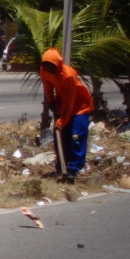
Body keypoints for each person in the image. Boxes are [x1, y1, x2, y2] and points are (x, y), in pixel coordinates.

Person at [40, 48, 94, 181]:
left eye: (51, 66)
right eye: (46, 65)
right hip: (62, 104)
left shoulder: (68, 75)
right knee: (62, 138)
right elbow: (47, 86)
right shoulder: (44, 71)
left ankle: (75, 168)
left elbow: (70, 101)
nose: (49, 69)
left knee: (76, 137)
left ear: (57, 64)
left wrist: (62, 121)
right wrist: (51, 101)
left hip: (79, 107)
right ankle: (62, 166)